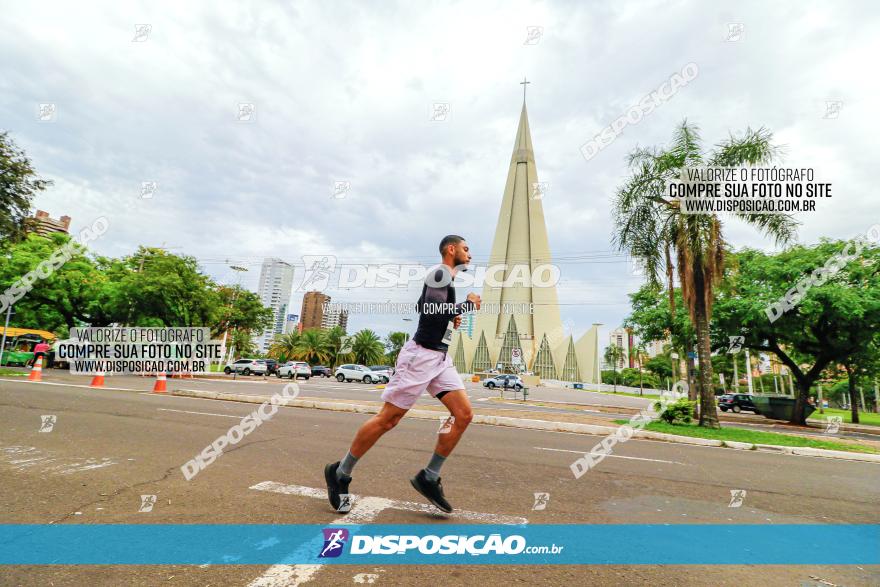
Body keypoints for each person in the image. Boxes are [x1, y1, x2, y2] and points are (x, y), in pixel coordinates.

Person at [325, 235, 480, 513]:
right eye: (466, 249)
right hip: (420, 357)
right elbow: (431, 309)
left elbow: (425, 307)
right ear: (451, 249)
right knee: (388, 419)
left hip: (440, 358)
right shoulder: (440, 272)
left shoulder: (445, 278)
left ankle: (429, 477)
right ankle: (340, 473)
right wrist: (466, 306)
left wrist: (452, 315)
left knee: (464, 414)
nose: (470, 254)